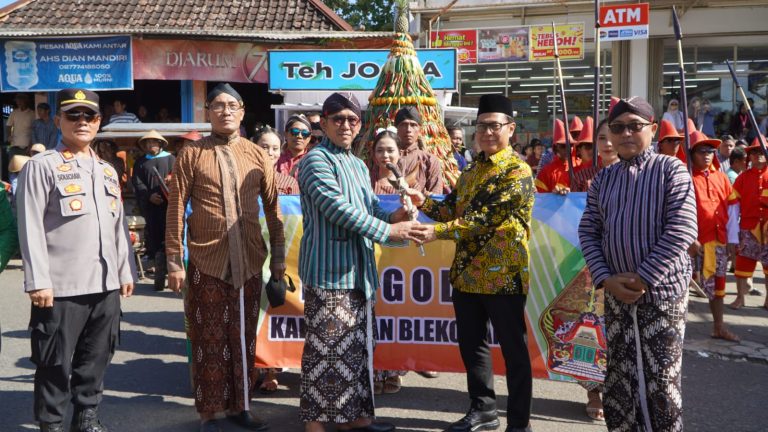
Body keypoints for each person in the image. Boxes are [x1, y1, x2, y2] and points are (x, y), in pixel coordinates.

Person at [297, 92, 426, 432]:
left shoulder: (356, 163)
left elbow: (371, 209)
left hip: (360, 272)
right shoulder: (315, 161)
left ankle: (353, 419)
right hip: (329, 272)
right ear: (324, 123)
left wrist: (398, 215)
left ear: (359, 126)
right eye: (337, 119)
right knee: (325, 351)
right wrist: (389, 230)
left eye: (352, 120)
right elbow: (338, 209)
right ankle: (315, 425)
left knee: (355, 350)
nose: (345, 125)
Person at [407, 94, 534, 432]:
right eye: (481, 126)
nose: (487, 132)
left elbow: (485, 219)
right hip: (466, 274)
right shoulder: (472, 168)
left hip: (503, 275)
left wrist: (436, 232)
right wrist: (425, 203)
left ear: (510, 129)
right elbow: (453, 209)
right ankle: (483, 410)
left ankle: (519, 424)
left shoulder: (518, 171)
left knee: (514, 351)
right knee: (472, 346)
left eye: (494, 126)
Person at [166, 83, 284, 432]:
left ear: (242, 111)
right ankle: (211, 413)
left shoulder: (256, 154)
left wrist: (278, 259)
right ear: (208, 112)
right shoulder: (192, 154)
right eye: (218, 105)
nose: (226, 111)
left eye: (233, 105)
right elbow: (175, 208)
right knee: (209, 338)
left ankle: (241, 407)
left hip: (249, 260)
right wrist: (174, 260)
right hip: (207, 260)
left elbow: (273, 209)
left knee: (244, 338)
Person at [18, 88, 136, 432]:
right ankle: (51, 423)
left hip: (105, 284)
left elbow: (118, 227)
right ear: (58, 121)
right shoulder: (42, 166)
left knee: (97, 355)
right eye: (73, 115)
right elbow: (29, 226)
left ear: (99, 122)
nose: (82, 122)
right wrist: (38, 280)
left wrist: (125, 270)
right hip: (61, 286)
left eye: (89, 116)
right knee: (54, 360)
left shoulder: (107, 170)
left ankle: (86, 415)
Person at [578, 96, 697, 431]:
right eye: (618, 128)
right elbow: (588, 231)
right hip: (616, 295)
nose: (626, 133)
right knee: (620, 381)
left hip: (661, 296)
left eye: (635, 126)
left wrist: (643, 278)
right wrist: (605, 278)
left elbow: (683, 229)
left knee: (661, 382)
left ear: (653, 129)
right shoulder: (604, 179)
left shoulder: (671, 170)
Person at [687, 131, 740, 342]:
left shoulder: (721, 177)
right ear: (692, 154)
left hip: (718, 240)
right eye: (701, 151)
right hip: (690, 243)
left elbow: (732, 209)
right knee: (680, 288)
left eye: (710, 151)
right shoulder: (685, 177)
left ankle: (719, 327)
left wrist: (732, 239)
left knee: (718, 288)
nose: (707, 155)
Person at [727, 137, 768, 311]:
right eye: (754, 152)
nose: (758, 155)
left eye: (762, 152)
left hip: (767, 228)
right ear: (749, 156)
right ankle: (740, 298)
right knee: (743, 264)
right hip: (748, 228)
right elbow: (733, 205)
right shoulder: (743, 178)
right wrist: (732, 230)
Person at [132, 130, 175, 291]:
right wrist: (149, 196)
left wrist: (171, 178)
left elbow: (178, 175)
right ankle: (159, 271)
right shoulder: (141, 162)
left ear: (160, 144)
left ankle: (173, 270)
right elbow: (137, 183)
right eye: (148, 143)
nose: (151, 145)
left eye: (154, 142)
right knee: (155, 236)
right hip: (151, 206)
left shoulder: (171, 159)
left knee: (171, 236)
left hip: (170, 205)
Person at [393, 107, 444, 194]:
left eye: (413, 125)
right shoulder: (385, 157)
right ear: (396, 128)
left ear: (419, 129)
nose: (408, 130)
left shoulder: (429, 160)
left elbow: (435, 196)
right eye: (404, 124)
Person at [573, 118, 619, 193]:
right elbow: (573, 200)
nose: (608, 144)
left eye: (613, 137)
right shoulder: (582, 177)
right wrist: (559, 196)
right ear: (596, 141)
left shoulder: (633, 176)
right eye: (602, 138)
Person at [536, 119, 580, 193]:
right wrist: (553, 194)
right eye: (563, 146)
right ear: (556, 148)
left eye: (571, 145)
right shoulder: (546, 172)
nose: (568, 149)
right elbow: (540, 197)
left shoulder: (581, 167)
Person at [255, 126, 298, 195]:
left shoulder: (290, 182)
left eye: (275, 149)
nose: (270, 153)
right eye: (265, 147)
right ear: (254, 148)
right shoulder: (242, 179)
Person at [276, 114, 311, 179]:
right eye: (295, 131)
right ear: (285, 134)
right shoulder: (276, 157)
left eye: (305, 133)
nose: (299, 136)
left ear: (309, 138)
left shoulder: (313, 160)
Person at [8, 93, 36, 158]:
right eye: (17, 101)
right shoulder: (14, 113)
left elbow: (34, 130)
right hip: (15, 145)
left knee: (26, 164)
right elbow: (8, 125)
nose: (19, 103)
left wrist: (30, 145)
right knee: (13, 164)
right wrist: (9, 135)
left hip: (27, 146)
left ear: (25, 101)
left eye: (21, 101)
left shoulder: (32, 114)